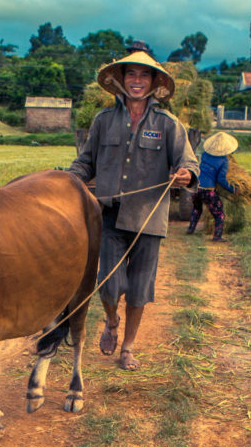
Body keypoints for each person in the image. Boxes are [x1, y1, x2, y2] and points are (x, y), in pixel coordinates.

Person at [69, 45, 199, 371]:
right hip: (110, 214)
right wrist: (65, 184)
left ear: (154, 82)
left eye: (144, 75)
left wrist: (186, 174)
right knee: (109, 285)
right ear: (121, 79)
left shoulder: (169, 124)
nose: (137, 80)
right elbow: (85, 163)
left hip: (149, 218)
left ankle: (128, 346)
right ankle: (111, 320)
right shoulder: (103, 121)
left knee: (139, 288)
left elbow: (188, 162)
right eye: (131, 73)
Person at [187, 132, 238, 242]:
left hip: (196, 187)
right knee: (219, 213)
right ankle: (217, 236)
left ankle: (190, 229)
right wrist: (232, 189)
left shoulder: (205, 155)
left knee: (196, 208)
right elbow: (221, 179)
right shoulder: (224, 161)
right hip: (207, 190)